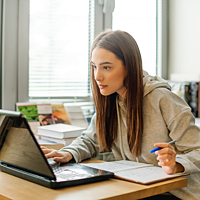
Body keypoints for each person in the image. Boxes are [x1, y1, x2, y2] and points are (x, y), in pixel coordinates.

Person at [41, 30, 200, 200]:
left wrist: (175, 165)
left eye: (106, 67)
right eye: (94, 66)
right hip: (134, 186)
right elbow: (91, 140)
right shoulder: (112, 99)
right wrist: (68, 153)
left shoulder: (163, 99)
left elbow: (196, 149)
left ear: (129, 66)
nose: (97, 76)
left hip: (176, 192)